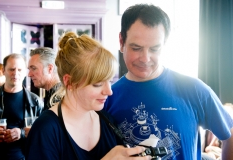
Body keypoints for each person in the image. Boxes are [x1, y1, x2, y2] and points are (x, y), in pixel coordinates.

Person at [103, 4, 233, 160]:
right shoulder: (106, 97)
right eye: (136, 48)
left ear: (165, 44)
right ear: (121, 41)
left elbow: (229, 134)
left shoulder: (194, 90)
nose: (145, 58)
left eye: (155, 49)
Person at [25, 32, 151, 160]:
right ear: (70, 82)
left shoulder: (108, 121)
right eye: (98, 84)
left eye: (110, 81)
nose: (109, 91)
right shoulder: (46, 130)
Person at [0, 54, 43, 160]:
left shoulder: (35, 102)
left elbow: (42, 134)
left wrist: (22, 133)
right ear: (3, 71)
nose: (15, 73)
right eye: (11, 69)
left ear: (25, 72)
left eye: (20, 70)